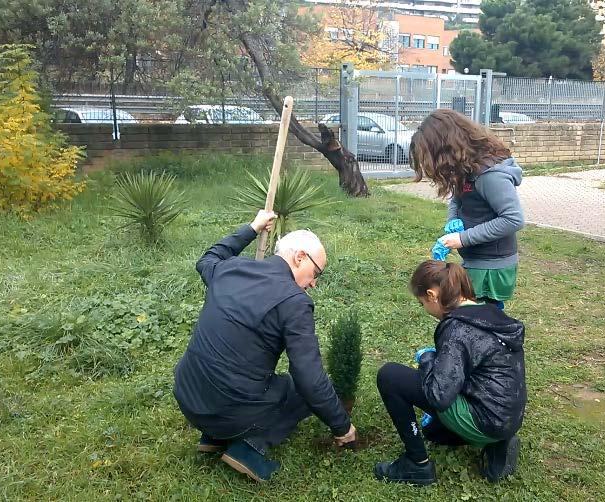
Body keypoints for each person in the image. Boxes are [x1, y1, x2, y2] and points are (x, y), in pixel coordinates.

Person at [173, 210, 356, 483]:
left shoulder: (230, 268)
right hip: (227, 410)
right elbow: (310, 378)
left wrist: (252, 227)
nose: (315, 283)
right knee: (300, 390)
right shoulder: (295, 302)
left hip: (187, 396)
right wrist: (342, 426)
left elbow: (207, 258)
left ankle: (213, 436)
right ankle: (249, 447)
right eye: (317, 273)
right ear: (299, 257)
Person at [374, 260, 527, 485]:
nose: (425, 309)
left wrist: (429, 360)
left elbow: (439, 395)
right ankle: (498, 444)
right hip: (508, 416)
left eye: (422, 303)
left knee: (390, 376)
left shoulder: (458, 330)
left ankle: (417, 465)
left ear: (432, 295)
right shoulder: (489, 315)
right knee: (434, 433)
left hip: (486, 420)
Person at [412, 109, 525, 310]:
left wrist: (462, 239)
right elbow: (457, 199)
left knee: (481, 315)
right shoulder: (466, 168)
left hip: (492, 264)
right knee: (468, 312)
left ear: (445, 149)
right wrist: (453, 220)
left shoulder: (491, 176)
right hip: (476, 258)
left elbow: (513, 219)